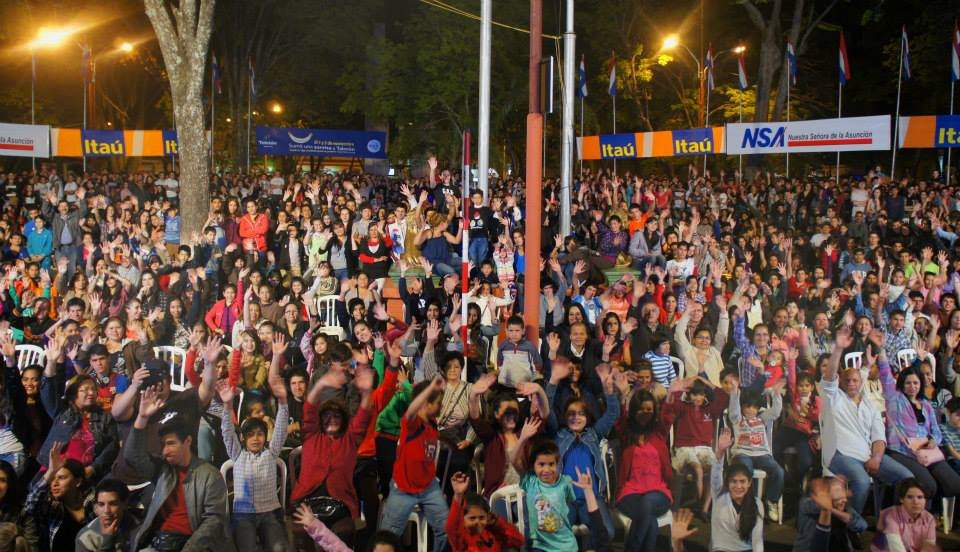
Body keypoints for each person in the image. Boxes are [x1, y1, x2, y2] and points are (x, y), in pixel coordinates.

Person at [123, 386, 231, 551]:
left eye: (171, 444)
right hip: (159, 541)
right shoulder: (162, 469)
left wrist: (189, 549)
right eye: (163, 445)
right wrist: (142, 417)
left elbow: (214, 521)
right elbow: (132, 456)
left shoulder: (210, 475)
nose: (165, 451)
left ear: (187, 441)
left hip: (192, 545)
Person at [820, 326, 913, 514]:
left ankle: (891, 520)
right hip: (839, 455)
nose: (851, 383)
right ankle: (850, 525)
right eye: (847, 380)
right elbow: (830, 377)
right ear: (841, 382)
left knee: (906, 478)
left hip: (868, 455)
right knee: (861, 481)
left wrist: (877, 457)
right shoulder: (833, 397)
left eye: (855, 380)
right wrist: (838, 348)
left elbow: (879, 437)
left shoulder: (870, 406)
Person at [217, 334, 290, 552]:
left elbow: (281, 428)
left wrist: (283, 401)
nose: (257, 438)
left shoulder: (271, 453)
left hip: (269, 513)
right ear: (244, 438)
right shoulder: (237, 455)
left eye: (260, 434)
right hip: (243, 515)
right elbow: (226, 430)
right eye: (251, 435)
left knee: (279, 548)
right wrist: (228, 406)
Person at [378, 377, 449, 551]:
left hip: (429, 487)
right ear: (426, 403)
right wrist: (430, 387)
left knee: (447, 530)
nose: (441, 406)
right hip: (404, 488)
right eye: (438, 402)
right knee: (387, 539)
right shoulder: (412, 424)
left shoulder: (432, 424)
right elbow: (410, 412)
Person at [711, 428, 763, 552]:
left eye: (742, 481)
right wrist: (721, 451)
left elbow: (757, 541)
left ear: (749, 483)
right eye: (734, 481)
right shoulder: (719, 496)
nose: (738, 486)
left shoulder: (757, 504)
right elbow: (716, 474)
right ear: (728, 483)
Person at [445, 471, 525, 552]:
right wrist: (458, 495)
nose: (478, 522)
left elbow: (518, 541)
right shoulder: (461, 539)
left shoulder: (492, 532)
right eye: (472, 518)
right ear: (462, 519)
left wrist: (497, 523)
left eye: (481, 517)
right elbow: (452, 527)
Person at [793, 477, 866, 552]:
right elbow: (815, 505)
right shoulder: (806, 502)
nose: (844, 500)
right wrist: (830, 506)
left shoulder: (843, 505)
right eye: (837, 492)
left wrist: (835, 510)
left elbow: (862, 526)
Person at [872, 478, 937, 552]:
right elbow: (896, 548)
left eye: (920, 497)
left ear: (925, 500)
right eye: (910, 497)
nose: (915, 502)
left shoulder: (929, 518)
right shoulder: (890, 515)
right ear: (901, 499)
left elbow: (929, 548)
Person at [75, 478, 138, 552]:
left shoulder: (140, 525)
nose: (106, 511)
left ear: (125, 503)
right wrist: (107, 544)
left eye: (113, 504)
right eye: (101, 504)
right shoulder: (86, 538)